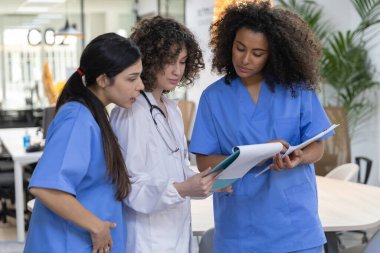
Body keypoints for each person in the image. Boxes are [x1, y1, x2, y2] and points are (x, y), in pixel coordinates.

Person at [189, 1, 333, 253]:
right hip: (240, 230)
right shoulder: (213, 98)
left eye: (257, 53)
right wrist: (253, 157)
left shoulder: (297, 90)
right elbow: (203, 162)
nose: (245, 59)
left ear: (274, 53)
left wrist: (299, 158)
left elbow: (317, 146)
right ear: (228, 43)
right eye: (239, 48)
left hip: (296, 228)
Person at [24, 33, 144, 253]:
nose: (140, 86)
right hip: (65, 244)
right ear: (103, 79)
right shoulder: (77, 118)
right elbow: (46, 187)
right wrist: (96, 226)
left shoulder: (95, 115)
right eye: (131, 78)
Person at [110, 16, 218, 253]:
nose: (177, 70)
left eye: (182, 61)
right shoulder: (131, 112)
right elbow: (130, 188)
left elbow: (177, 172)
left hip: (177, 234)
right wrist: (182, 189)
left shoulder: (172, 110)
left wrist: (211, 181)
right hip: (147, 241)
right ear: (149, 58)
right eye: (170, 61)